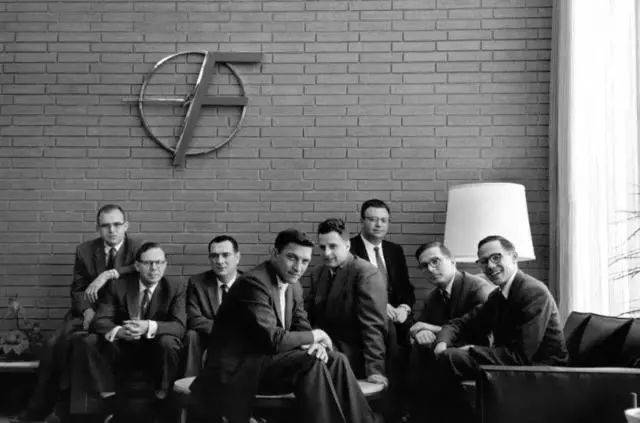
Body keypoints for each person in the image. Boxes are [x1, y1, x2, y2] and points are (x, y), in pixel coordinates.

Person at [190, 229, 378, 423]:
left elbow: (301, 326)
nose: (298, 267)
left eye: (305, 261)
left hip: (267, 362)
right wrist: (317, 335)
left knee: (336, 359)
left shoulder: (293, 285)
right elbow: (274, 339)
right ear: (275, 253)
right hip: (238, 370)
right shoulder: (253, 283)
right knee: (312, 362)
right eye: (291, 258)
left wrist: (317, 345)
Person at [13, 204, 141, 422]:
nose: (112, 230)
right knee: (53, 345)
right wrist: (87, 310)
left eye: (117, 224)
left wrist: (108, 274)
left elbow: (142, 267)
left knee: (86, 344)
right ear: (98, 228)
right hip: (87, 313)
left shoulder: (137, 248)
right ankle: (40, 408)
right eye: (105, 225)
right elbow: (78, 288)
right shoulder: (85, 250)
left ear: (126, 226)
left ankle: (88, 408)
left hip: (119, 315)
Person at [433, 235, 568, 422]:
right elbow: (461, 323)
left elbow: (522, 356)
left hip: (543, 372)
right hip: (515, 364)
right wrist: (441, 342)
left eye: (496, 257)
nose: (490, 266)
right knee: (445, 356)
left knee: (450, 359)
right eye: (483, 261)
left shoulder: (533, 291)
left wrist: (471, 350)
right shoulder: (498, 296)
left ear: (514, 257)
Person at [85, 242, 186, 412]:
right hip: (124, 348)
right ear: (137, 266)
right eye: (148, 263)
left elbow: (179, 327)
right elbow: (100, 320)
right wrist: (119, 331)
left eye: (159, 262)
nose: (154, 268)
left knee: (169, 341)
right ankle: (107, 398)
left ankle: (164, 399)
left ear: (165, 264)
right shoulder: (118, 286)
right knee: (91, 340)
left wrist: (148, 326)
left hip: (156, 349)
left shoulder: (175, 287)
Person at [407, 241, 493, 422]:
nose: (430, 269)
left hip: (478, 355)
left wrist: (432, 329)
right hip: (446, 355)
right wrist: (419, 333)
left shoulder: (478, 289)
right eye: (424, 266)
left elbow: (483, 336)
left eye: (435, 261)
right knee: (414, 350)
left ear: (452, 261)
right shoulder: (434, 296)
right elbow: (420, 325)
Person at [349, 199, 414, 421]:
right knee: (389, 337)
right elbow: (348, 291)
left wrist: (404, 307)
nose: (378, 225)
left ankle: (403, 408)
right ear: (361, 221)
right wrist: (379, 305)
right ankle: (386, 411)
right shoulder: (350, 248)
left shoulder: (394, 250)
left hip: (397, 317)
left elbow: (406, 288)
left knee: (415, 340)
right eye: (373, 219)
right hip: (365, 316)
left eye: (383, 220)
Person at [306, 218, 388, 385]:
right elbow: (310, 316)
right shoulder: (318, 273)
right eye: (323, 247)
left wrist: (375, 370)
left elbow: (373, 327)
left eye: (333, 246)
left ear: (347, 245)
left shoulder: (366, 273)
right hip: (323, 348)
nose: (326, 253)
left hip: (354, 358)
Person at [184, 235, 241, 377]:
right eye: (214, 256)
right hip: (208, 336)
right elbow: (193, 318)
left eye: (225, 255)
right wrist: (223, 331)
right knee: (191, 335)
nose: (220, 261)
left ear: (237, 257)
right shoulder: (197, 282)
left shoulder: (250, 284)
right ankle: (190, 383)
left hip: (238, 339)